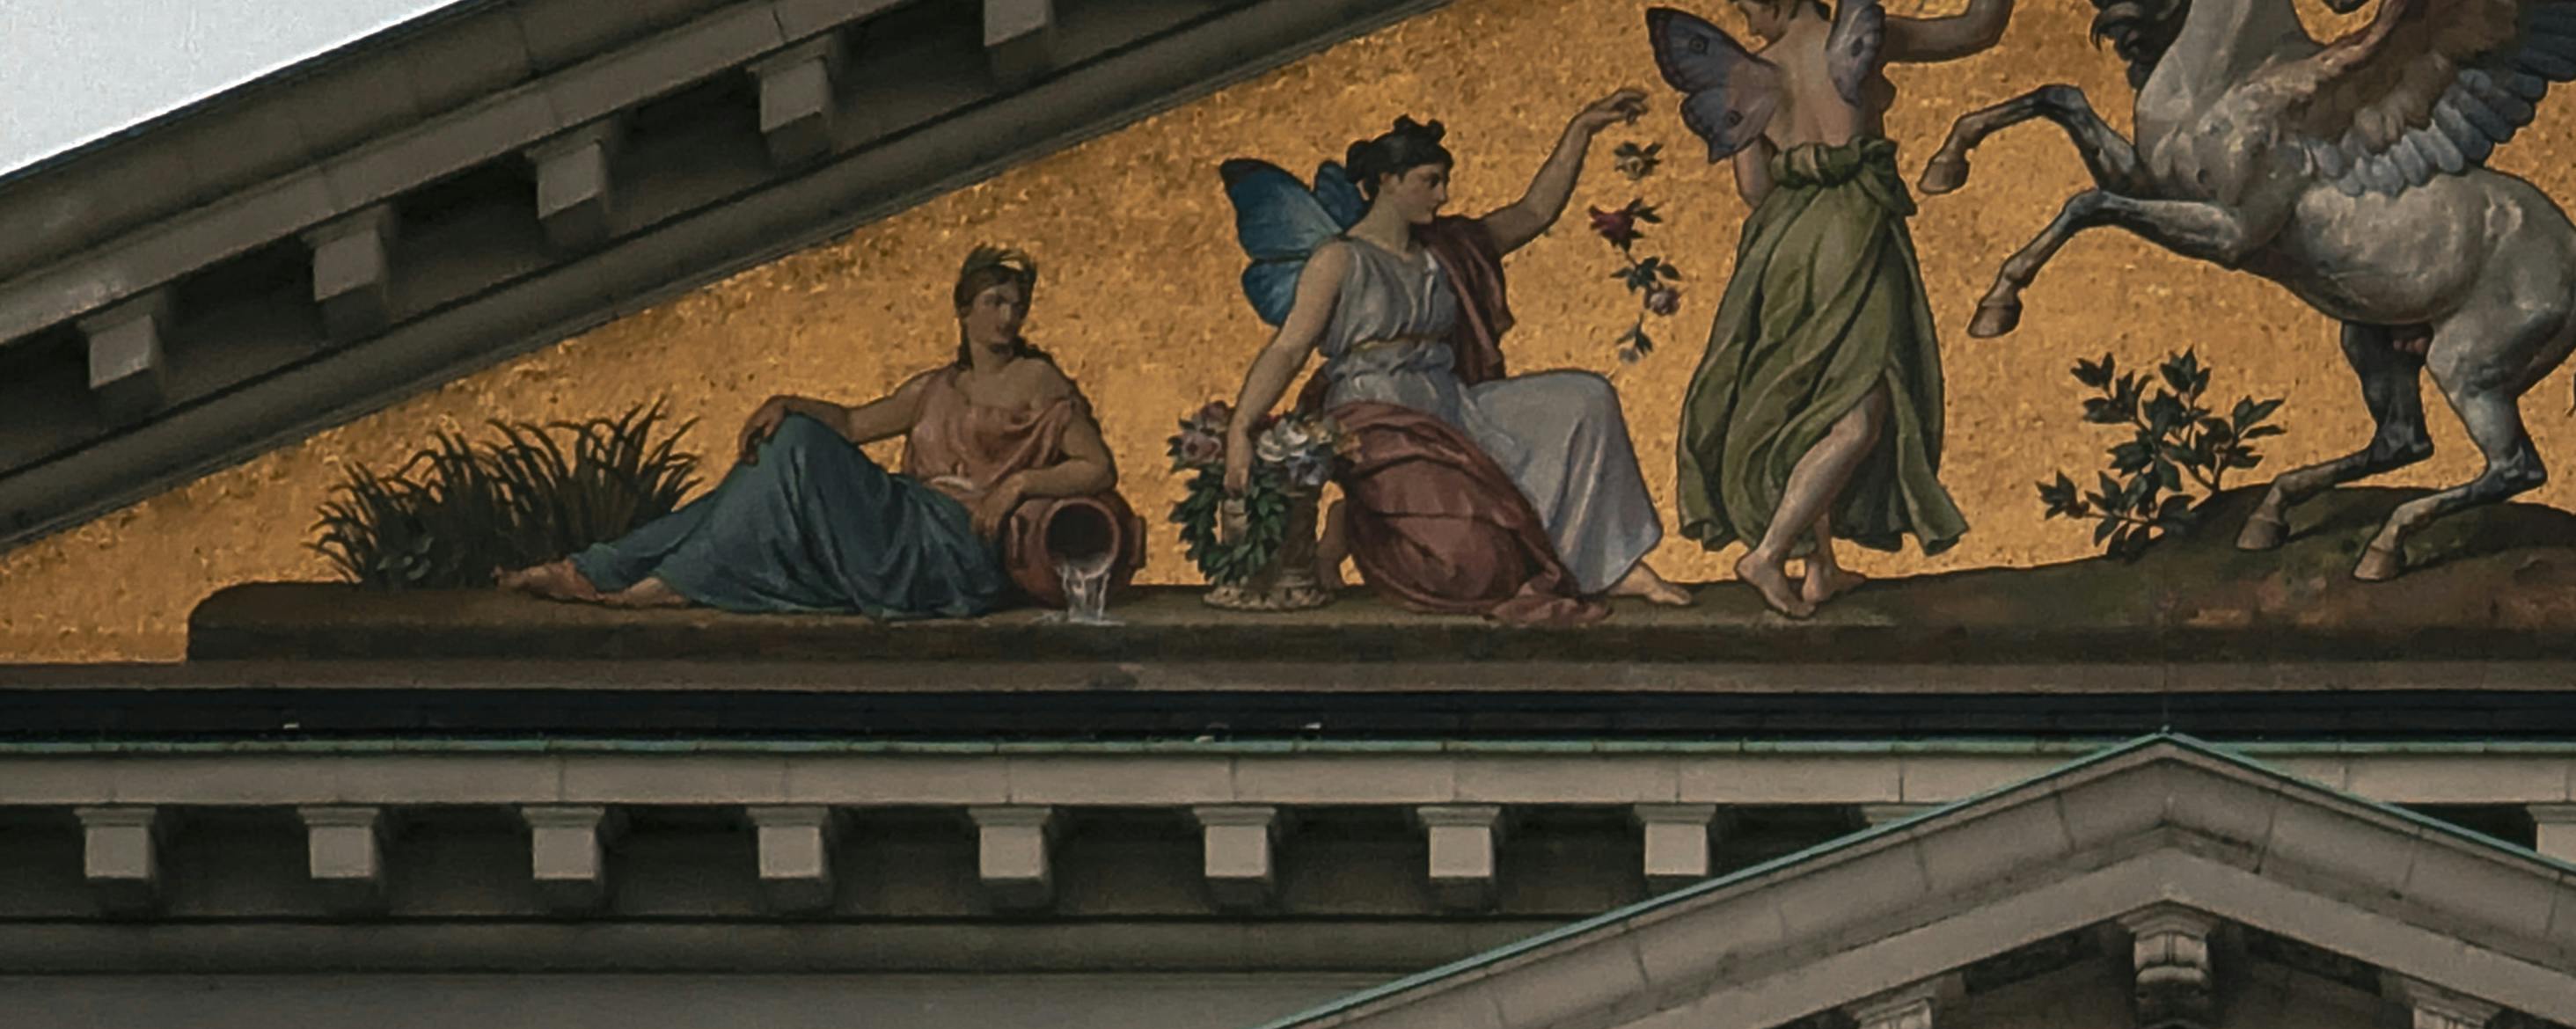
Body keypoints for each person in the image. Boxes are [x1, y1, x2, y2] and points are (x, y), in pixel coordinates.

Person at [1218, 107, 1684, 616]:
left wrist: (1580, 131)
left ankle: (1606, 568)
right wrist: (1240, 428)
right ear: (1387, 182)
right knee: (1471, 567)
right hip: (1374, 419)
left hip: (1451, 405)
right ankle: (1351, 524)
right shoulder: (1340, 260)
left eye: (1444, 181)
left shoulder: (1445, 251)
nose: (1443, 195)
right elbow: (1288, 347)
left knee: (1586, 398)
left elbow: (1533, 213)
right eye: (1430, 181)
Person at [515, 246, 1142, 616]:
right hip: (900, 523)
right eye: (994, 303)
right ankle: (604, 569)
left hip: (954, 550)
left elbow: (1098, 468)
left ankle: (659, 584)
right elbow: (849, 423)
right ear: (963, 310)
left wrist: (1018, 486)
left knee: (793, 450)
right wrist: (787, 400)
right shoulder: (935, 388)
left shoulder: (1039, 381)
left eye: (1016, 304)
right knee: (773, 459)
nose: (1007, 316)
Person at [1653, 0, 2023, 617]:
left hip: (1783, 248)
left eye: (1748, 7)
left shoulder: (1747, 72)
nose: (1746, 24)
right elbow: (1977, 29)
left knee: (1811, 398)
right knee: (1861, 410)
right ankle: (1768, 553)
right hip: (1850, 233)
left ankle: (1819, 567)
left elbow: (1755, 191)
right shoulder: (1859, 36)